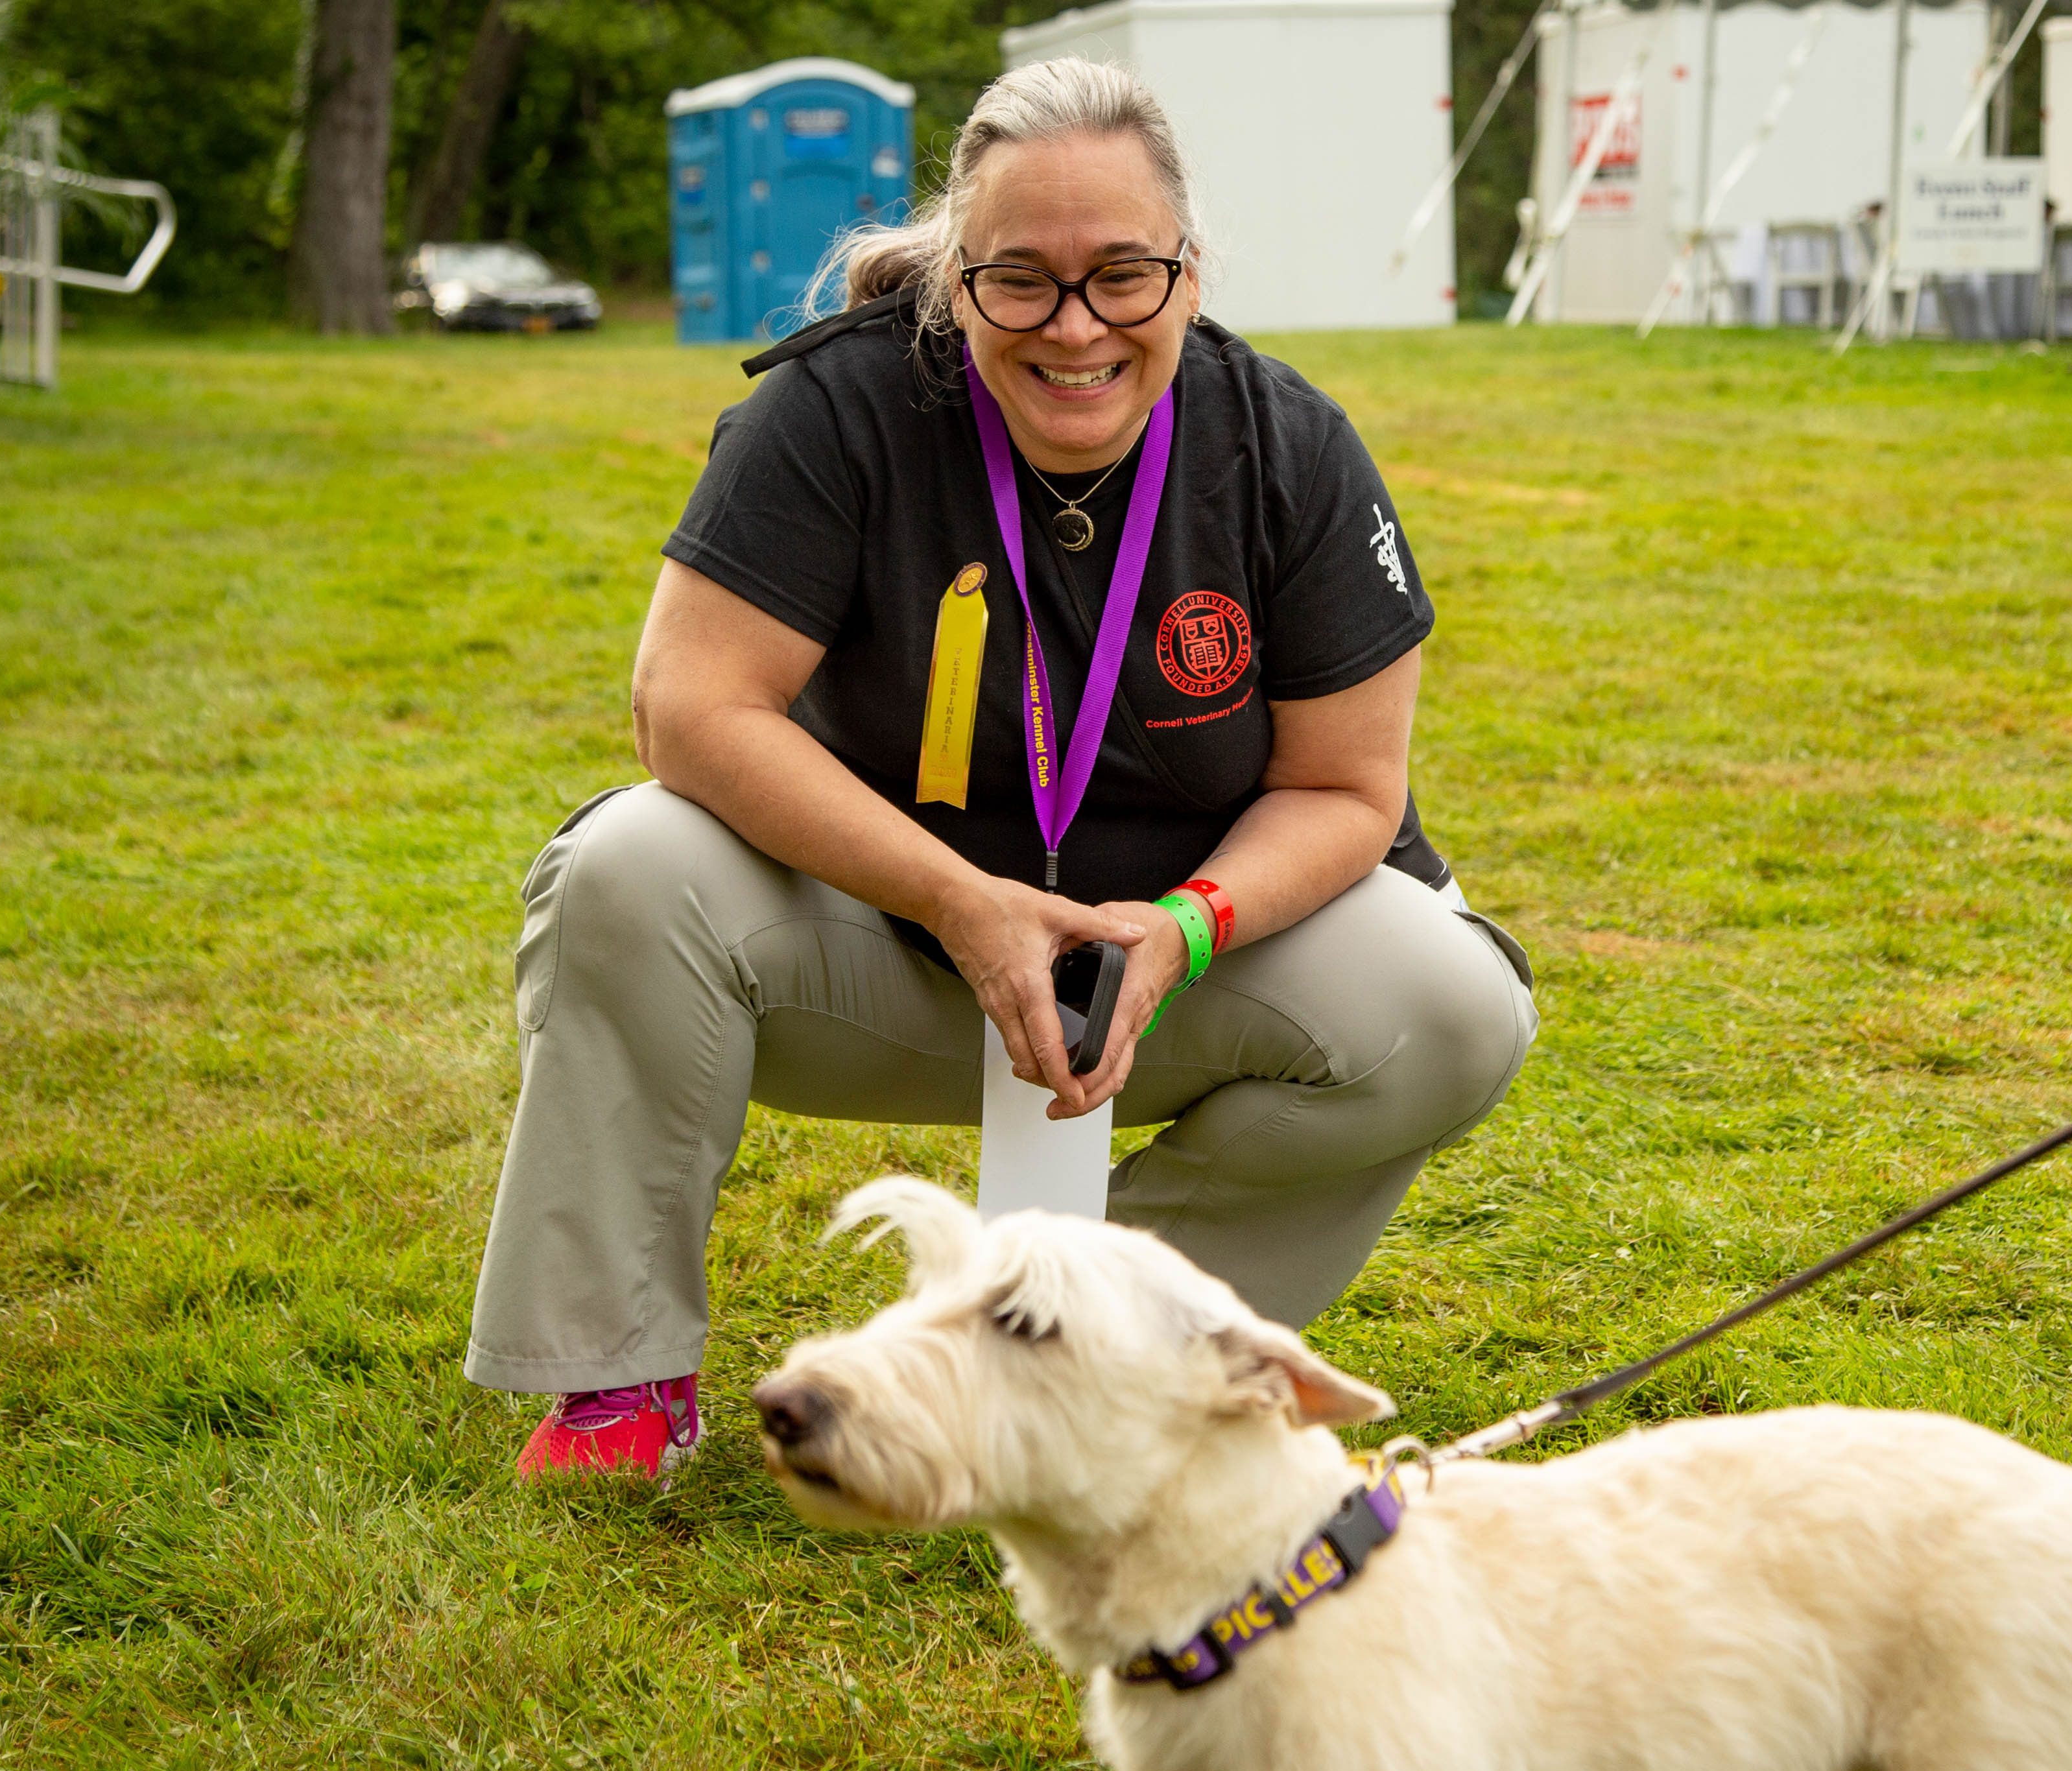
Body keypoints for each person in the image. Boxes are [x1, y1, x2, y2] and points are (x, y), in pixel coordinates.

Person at [466, 58, 1539, 1479]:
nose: (1075, 327)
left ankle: (1090, 1363)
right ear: (957, 279)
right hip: (879, 954)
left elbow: (1349, 790)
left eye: (1122, 277)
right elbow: (692, 706)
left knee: (1455, 1002)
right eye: (1021, 280)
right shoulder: (834, 412)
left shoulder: (1290, 446)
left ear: (1190, 274)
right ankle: (617, 1378)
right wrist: (962, 900)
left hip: (1162, 980)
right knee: (626, 863)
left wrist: (1182, 926)